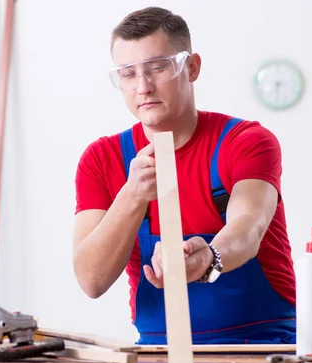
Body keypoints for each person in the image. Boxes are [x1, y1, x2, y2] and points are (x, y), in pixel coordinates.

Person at [72, 6, 296, 345]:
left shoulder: (247, 142)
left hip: (264, 346)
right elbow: (91, 280)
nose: (143, 87)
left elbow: (249, 228)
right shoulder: (102, 160)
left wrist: (209, 257)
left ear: (191, 68)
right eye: (128, 74)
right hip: (158, 350)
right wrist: (131, 197)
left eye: (157, 67)